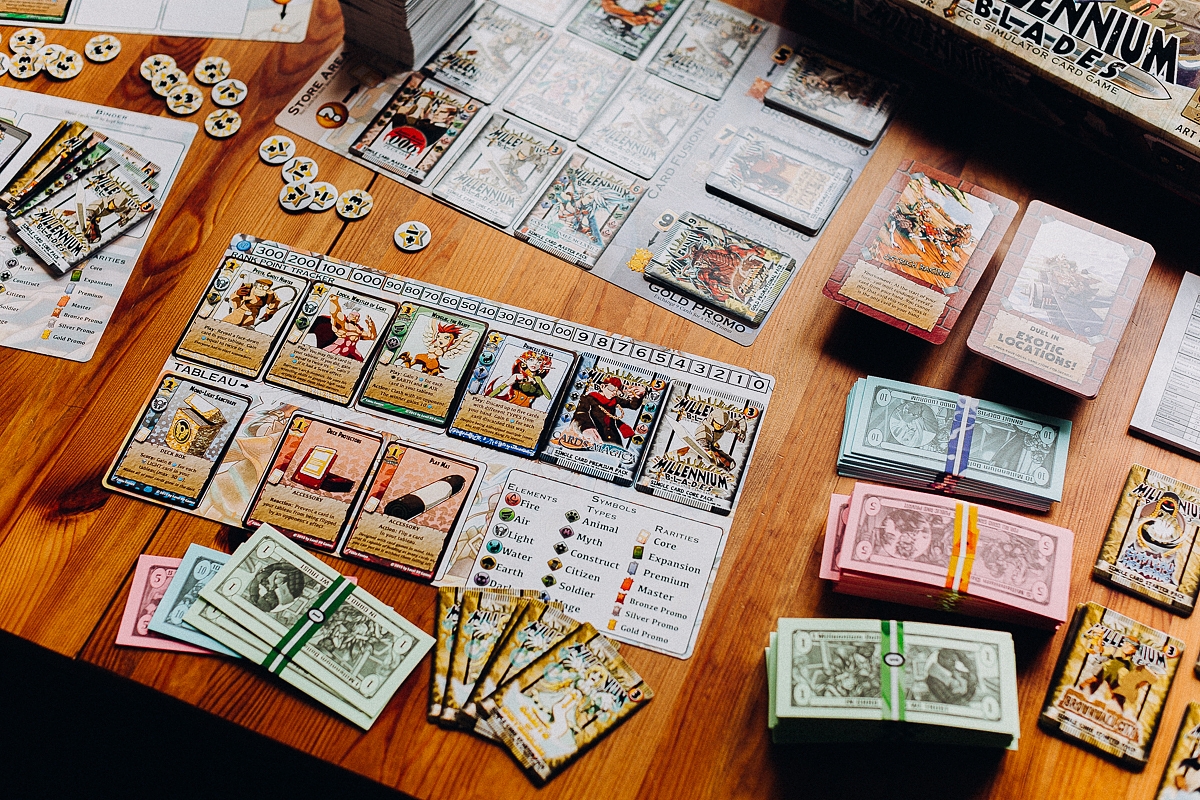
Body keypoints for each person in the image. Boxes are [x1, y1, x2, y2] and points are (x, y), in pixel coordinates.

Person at [571, 375, 646, 445]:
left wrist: (638, 396)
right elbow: (581, 412)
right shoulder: (589, 398)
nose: (614, 393)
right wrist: (587, 427)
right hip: (595, 435)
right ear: (602, 386)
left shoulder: (615, 400)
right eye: (611, 388)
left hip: (614, 437)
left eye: (617, 391)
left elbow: (633, 406)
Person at [322, 294, 377, 361]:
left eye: (357, 316)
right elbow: (335, 314)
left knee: (361, 362)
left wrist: (371, 325)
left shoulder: (359, 329)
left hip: (352, 351)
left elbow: (372, 337)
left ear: (358, 319)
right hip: (336, 348)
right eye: (352, 315)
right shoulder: (343, 323)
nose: (354, 317)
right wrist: (334, 301)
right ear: (348, 316)